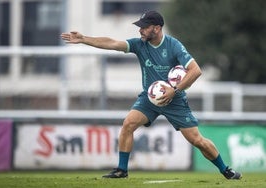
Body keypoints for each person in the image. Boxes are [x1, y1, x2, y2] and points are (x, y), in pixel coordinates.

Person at [61, 10, 242, 180]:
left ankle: (226, 170)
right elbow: (113, 43)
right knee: (128, 124)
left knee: (197, 140)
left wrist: (175, 90)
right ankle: (121, 170)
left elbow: (195, 71)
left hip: (174, 100)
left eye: (144, 26)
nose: (140, 29)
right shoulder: (140, 44)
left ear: (157, 28)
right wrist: (84, 38)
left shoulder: (174, 46)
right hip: (149, 99)